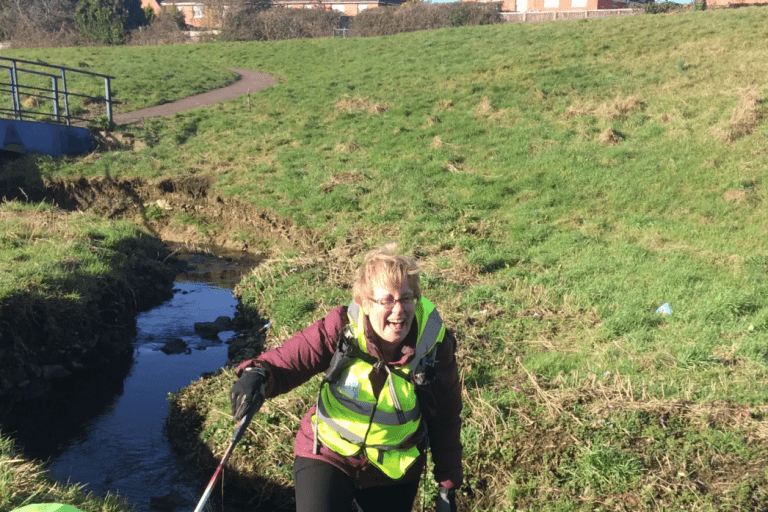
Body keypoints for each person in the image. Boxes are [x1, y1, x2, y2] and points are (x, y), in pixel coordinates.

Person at [229, 243, 463, 512]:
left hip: (395, 465)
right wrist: (257, 374)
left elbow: (446, 415)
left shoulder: (433, 346)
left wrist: (448, 485)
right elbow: (291, 360)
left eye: (406, 298)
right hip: (329, 452)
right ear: (364, 301)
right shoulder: (342, 328)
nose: (399, 311)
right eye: (386, 300)